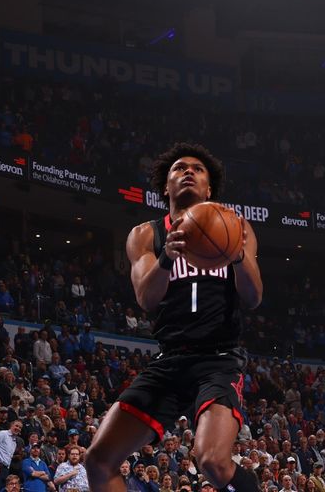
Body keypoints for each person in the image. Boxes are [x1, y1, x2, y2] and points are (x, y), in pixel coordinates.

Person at [85, 143, 263, 492]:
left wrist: (238, 257)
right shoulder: (146, 234)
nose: (188, 172)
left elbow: (254, 297)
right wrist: (166, 257)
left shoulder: (236, 227)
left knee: (212, 460)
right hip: (169, 360)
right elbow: (146, 298)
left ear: (209, 188)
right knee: (98, 461)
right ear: (165, 186)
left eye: (198, 169)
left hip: (218, 359)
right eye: (179, 168)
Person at [0, 420, 22, 492]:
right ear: (11, 425)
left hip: (5, 470)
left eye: (20, 427)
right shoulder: (3, 434)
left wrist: (7, 469)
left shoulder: (14, 442)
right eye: (16, 426)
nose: (18, 428)